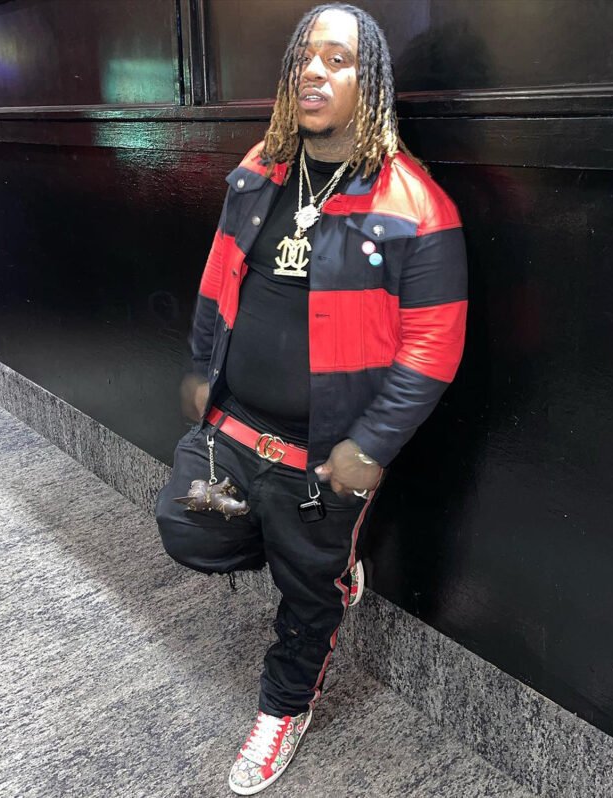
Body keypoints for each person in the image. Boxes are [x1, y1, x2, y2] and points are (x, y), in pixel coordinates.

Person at [155, 3, 468, 794]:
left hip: (323, 457)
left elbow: (433, 347)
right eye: (304, 58)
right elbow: (218, 276)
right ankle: (328, 566)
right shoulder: (262, 167)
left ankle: (283, 707)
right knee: (186, 527)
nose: (313, 73)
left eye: (338, 60)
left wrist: (370, 446)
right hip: (235, 426)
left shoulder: (414, 203)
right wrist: (202, 365)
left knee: (305, 601)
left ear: (373, 82)